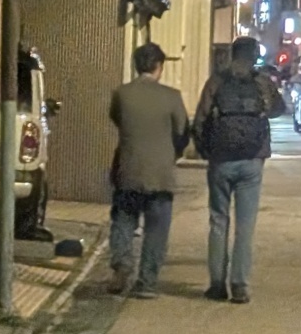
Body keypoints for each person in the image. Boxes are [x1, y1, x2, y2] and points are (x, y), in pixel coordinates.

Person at [193, 37, 286, 303]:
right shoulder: (262, 82)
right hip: (252, 160)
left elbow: (200, 120)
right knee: (245, 225)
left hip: (221, 160)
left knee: (218, 220)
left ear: (232, 54)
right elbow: (279, 109)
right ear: (254, 56)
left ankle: (217, 284)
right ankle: (240, 285)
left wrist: (206, 151)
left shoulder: (217, 81)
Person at [108, 42, 190, 299]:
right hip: (161, 173)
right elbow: (182, 132)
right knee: (156, 230)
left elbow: (117, 120)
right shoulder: (172, 96)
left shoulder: (122, 94)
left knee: (123, 220)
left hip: (129, 169)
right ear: (159, 66)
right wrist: (172, 153)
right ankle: (147, 282)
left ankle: (122, 262)